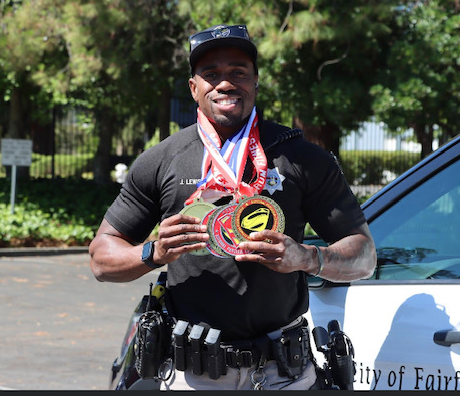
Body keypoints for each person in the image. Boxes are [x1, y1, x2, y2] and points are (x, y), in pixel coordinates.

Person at [88, 24, 376, 390]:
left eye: (238, 72)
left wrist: (306, 258)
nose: (225, 83)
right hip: (191, 375)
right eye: (211, 74)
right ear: (194, 88)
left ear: (256, 82)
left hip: (283, 375)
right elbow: (101, 259)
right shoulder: (162, 160)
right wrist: (154, 251)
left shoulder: (302, 158)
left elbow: (364, 255)